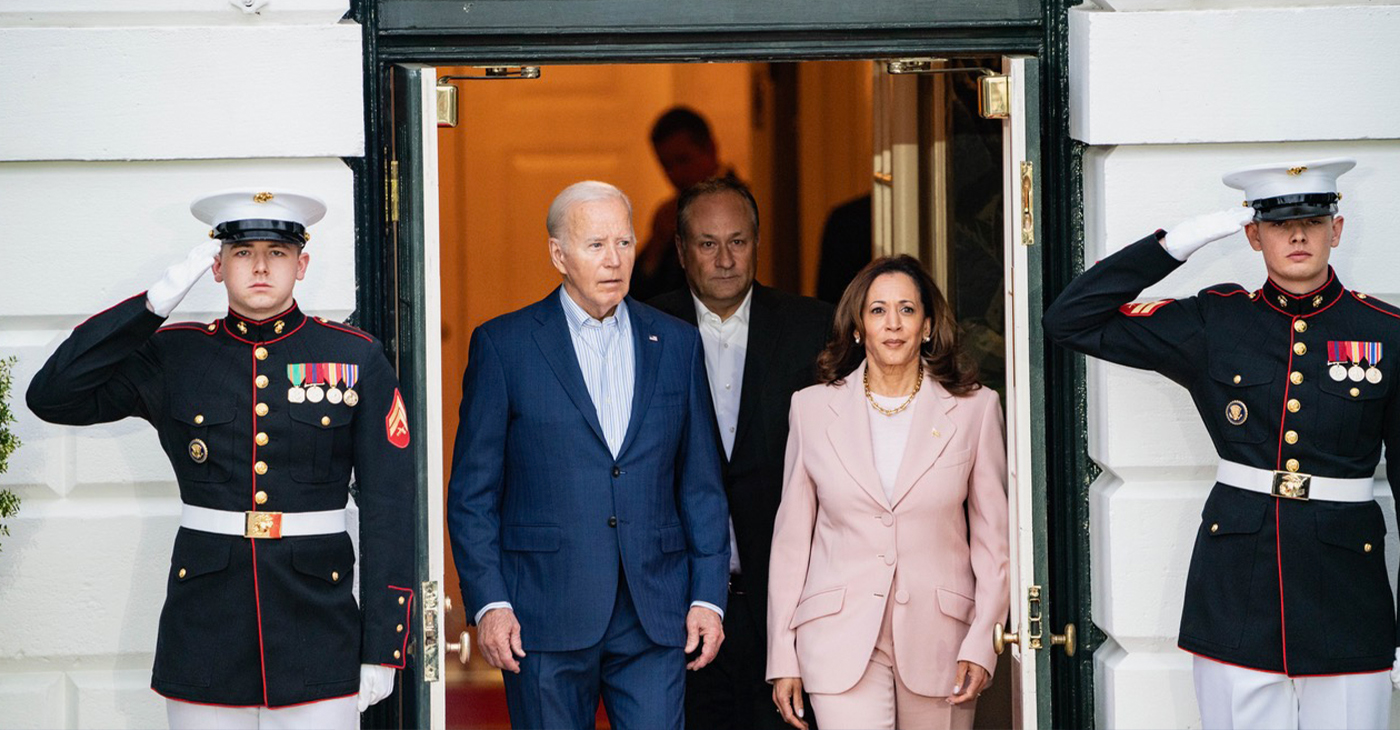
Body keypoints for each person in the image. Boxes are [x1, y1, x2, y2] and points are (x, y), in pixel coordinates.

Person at [26, 190, 413, 729]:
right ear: (216, 267)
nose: (259, 266)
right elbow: (51, 396)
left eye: (277, 253)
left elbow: (390, 507)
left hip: (318, 625)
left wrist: (384, 643)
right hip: (206, 623)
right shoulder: (176, 354)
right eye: (242, 252)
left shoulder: (355, 357)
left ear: (302, 265)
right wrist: (151, 308)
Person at [1043, 158, 1399, 729]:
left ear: (1337, 229)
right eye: (1280, 224)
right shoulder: (1214, 322)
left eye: (1313, 220)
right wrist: (1175, 244)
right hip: (1238, 590)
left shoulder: (1387, 332)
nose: (1299, 235)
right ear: (1253, 235)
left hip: (1349, 600)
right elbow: (1070, 319)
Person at [447, 180, 731, 729]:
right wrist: (490, 603)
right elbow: (473, 495)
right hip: (542, 614)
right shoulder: (504, 346)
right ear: (559, 255)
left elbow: (700, 485)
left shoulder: (676, 343)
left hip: (655, 611)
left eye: (624, 243)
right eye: (595, 245)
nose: (615, 260)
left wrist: (707, 596)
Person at [767, 256, 1009, 730]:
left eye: (906, 310)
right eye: (878, 311)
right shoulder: (811, 409)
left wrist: (984, 641)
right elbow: (792, 543)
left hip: (943, 643)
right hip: (838, 639)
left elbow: (994, 545)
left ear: (927, 325)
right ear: (858, 327)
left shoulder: (976, 409)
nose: (893, 324)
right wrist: (782, 653)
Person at [649, 178, 834, 730]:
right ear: (681, 251)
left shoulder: (814, 328)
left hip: (787, 603)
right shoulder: (643, 328)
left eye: (739, 241)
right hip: (677, 600)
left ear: (757, 243)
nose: (726, 259)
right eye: (707, 244)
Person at [630, 106, 739, 301]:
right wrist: (657, 243)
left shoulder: (744, 203)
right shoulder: (671, 214)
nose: (676, 174)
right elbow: (636, 292)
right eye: (667, 166)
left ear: (710, 149)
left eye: (683, 160)